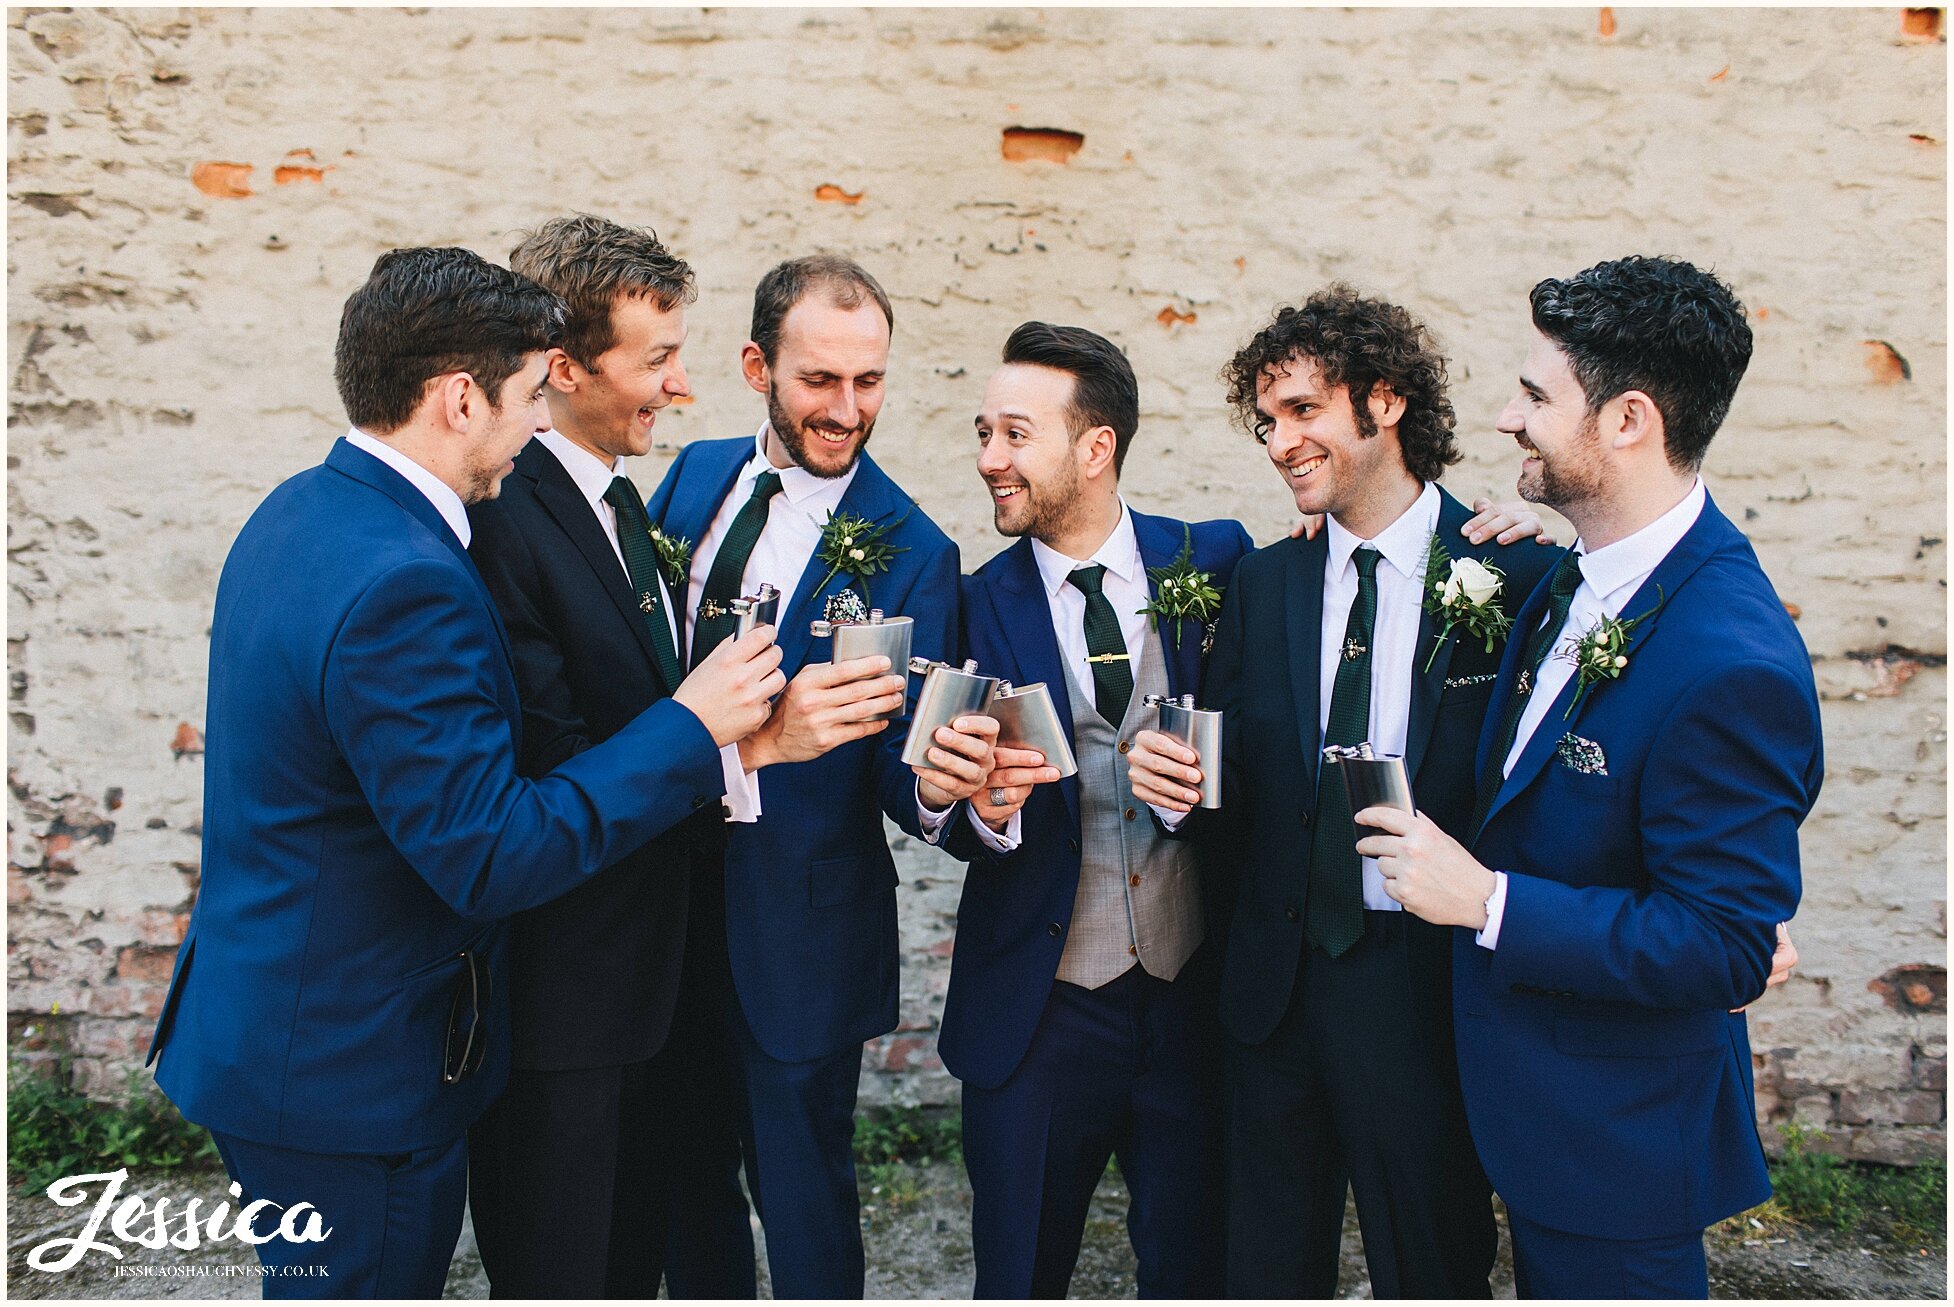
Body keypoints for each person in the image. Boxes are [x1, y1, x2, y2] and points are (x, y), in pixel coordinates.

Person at [146, 246, 785, 1297]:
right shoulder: (409, 582)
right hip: (351, 1077)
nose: (540, 424)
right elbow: (488, 850)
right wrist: (688, 726)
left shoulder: (300, 511)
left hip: (269, 1032)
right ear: (457, 398)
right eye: (531, 394)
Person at [1352, 256, 1822, 1299]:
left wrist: (1487, 901)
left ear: (1627, 421)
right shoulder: (1571, 570)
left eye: (1534, 395)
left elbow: (1726, 941)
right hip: (1501, 1093)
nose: (1507, 416)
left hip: (1616, 1143)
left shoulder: (1729, 657)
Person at [466, 216, 882, 1297]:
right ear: (562, 366)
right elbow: (552, 764)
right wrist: (732, 737)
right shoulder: (512, 522)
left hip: (668, 977)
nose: (678, 386)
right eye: (655, 359)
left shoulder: (615, 500)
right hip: (577, 992)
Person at [1128, 285, 1559, 1298]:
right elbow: (1231, 790)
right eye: (1268, 421)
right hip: (1272, 991)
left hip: (1422, 992)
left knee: (1432, 1262)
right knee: (1265, 1267)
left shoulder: (1509, 572)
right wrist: (1181, 793)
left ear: (1385, 400)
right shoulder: (1265, 583)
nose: (1280, 441)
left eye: (1303, 411)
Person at [641, 254, 984, 1298]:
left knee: (805, 1202)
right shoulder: (692, 477)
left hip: (799, 931)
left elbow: (900, 768)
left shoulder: (913, 550)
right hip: (656, 914)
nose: (845, 409)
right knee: (681, 1189)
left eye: (867, 381)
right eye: (818, 381)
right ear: (757, 366)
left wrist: (939, 783)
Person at [923, 322, 1250, 1297]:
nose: (989, 458)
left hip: (1194, 1001)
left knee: (1195, 1270)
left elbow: (1273, 739)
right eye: (983, 432)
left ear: (1094, 446)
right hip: (1040, 1009)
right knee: (1020, 1273)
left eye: (1014, 434)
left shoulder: (1221, 562)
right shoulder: (971, 600)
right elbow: (924, 792)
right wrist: (977, 806)